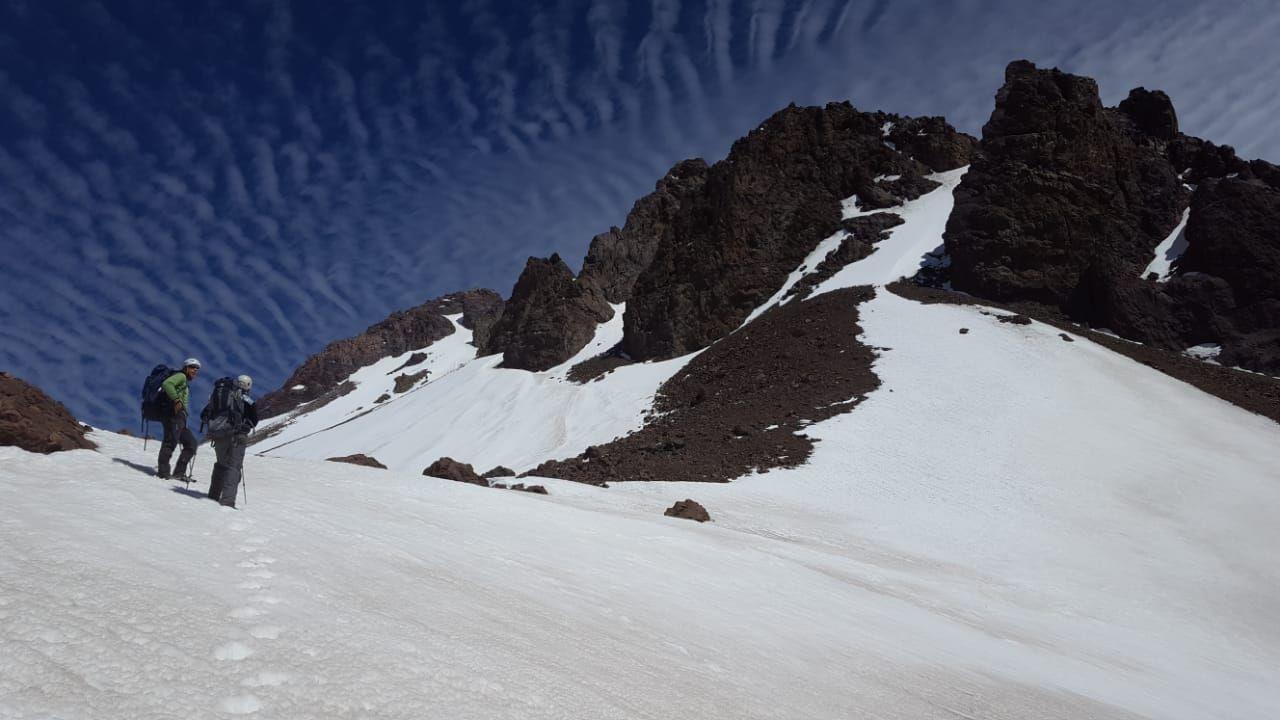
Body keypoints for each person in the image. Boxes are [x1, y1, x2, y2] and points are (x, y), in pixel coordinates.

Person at [208, 374, 258, 508]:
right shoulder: (247, 399)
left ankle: (213, 496)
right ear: (248, 385)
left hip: (219, 435)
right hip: (237, 435)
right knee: (233, 468)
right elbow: (254, 419)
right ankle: (227, 501)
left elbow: (206, 414)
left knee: (221, 465)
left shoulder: (219, 395)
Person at [157, 358, 201, 480]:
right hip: (172, 414)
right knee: (170, 441)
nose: (195, 370)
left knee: (191, 444)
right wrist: (176, 399)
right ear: (186, 367)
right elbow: (166, 384)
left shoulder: (185, 381)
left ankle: (179, 473)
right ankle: (163, 472)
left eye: (197, 369)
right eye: (193, 367)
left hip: (180, 417)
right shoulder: (181, 376)